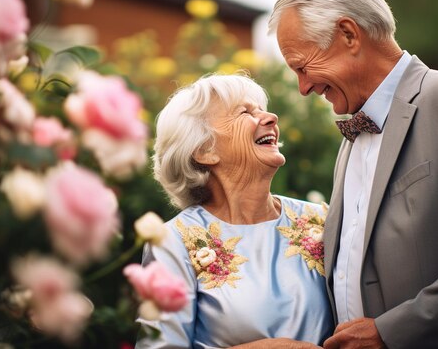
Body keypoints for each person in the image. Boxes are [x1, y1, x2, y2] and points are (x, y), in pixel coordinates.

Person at [267, 0, 438, 348]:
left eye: (302, 66)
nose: (303, 88)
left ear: (348, 34)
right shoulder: (351, 137)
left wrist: (389, 333)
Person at [135, 73, 333, 348]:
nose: (270, 118)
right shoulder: (174, 241)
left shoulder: (322, 220)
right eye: (245, 112)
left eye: (262, 109)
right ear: (205, 150)